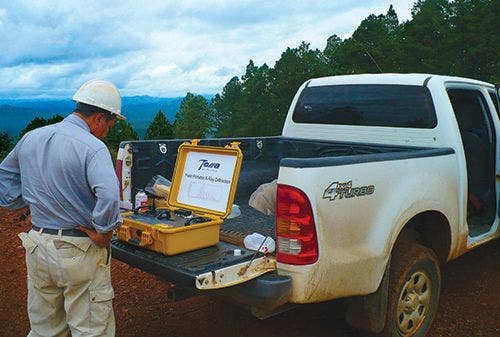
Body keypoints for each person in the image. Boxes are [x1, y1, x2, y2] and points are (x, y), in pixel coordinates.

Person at [0, 79, 126, 337]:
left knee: (45, 330)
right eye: (110, 126)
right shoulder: (93, 147)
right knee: (90, 330)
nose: (107, 132)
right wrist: (103, 231)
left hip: (37, 245)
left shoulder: (31, 138)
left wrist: (26, 201)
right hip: (78, 249)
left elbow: (4, 176)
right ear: (99, 118)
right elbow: (110, 195)